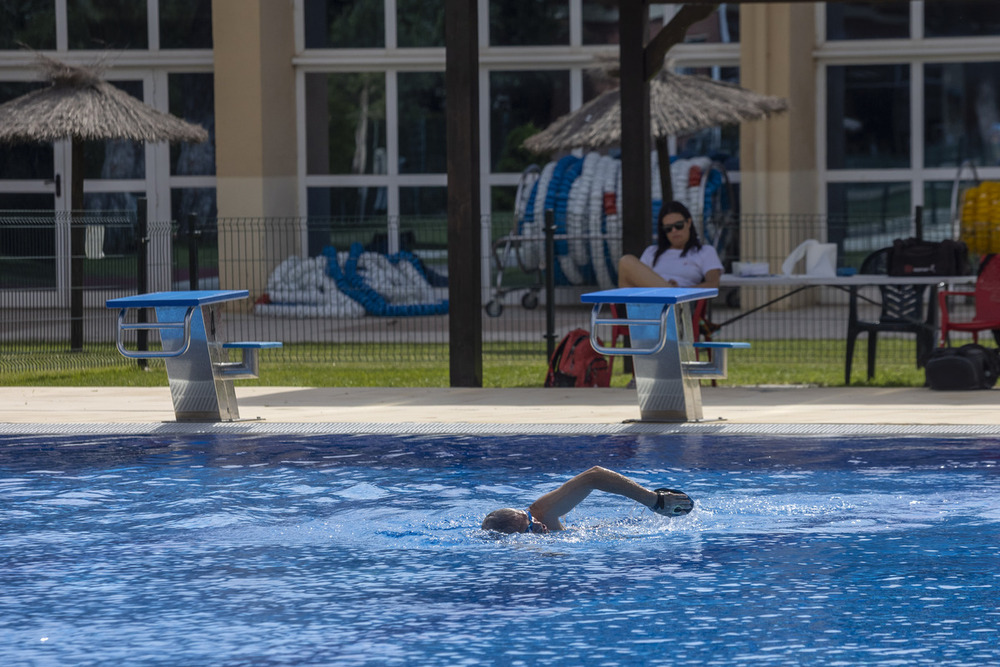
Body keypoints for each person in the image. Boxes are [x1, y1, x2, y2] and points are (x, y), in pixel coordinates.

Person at [480, 465, 694, 534]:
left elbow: (594, 476)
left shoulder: (542, 513)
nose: (538, 525)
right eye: (530, 529)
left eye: (529, 518)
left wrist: (654, 501)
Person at [617, 200, 723, 290]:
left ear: (689, 223)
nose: (674, 231)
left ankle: (669, 295)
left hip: (681, 303)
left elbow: (713, 284)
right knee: (626, 262)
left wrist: (680, 290)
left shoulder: (705, 251)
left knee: (627, 262)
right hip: (651, 300)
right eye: (668, 228)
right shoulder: (651, 252)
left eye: (679, 225)